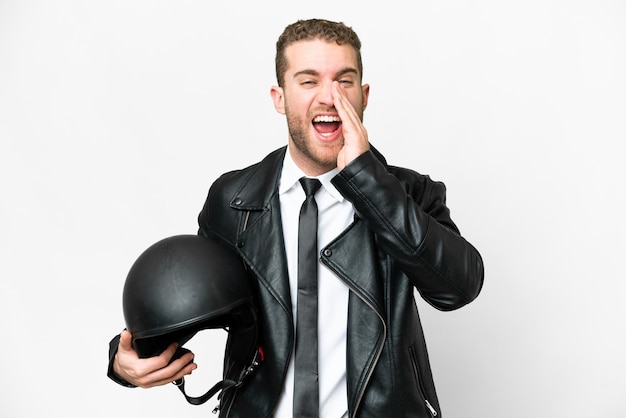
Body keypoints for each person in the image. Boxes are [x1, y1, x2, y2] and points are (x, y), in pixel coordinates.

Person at [108, 18, 484, 418]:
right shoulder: (232, 201)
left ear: (364, 96)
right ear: (279, 97)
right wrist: (124, 358)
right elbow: (188, 303)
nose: (329, 97)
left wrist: (368, 182)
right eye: (308, 81)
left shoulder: (409, 194)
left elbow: (458, 288)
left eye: (344, 81)